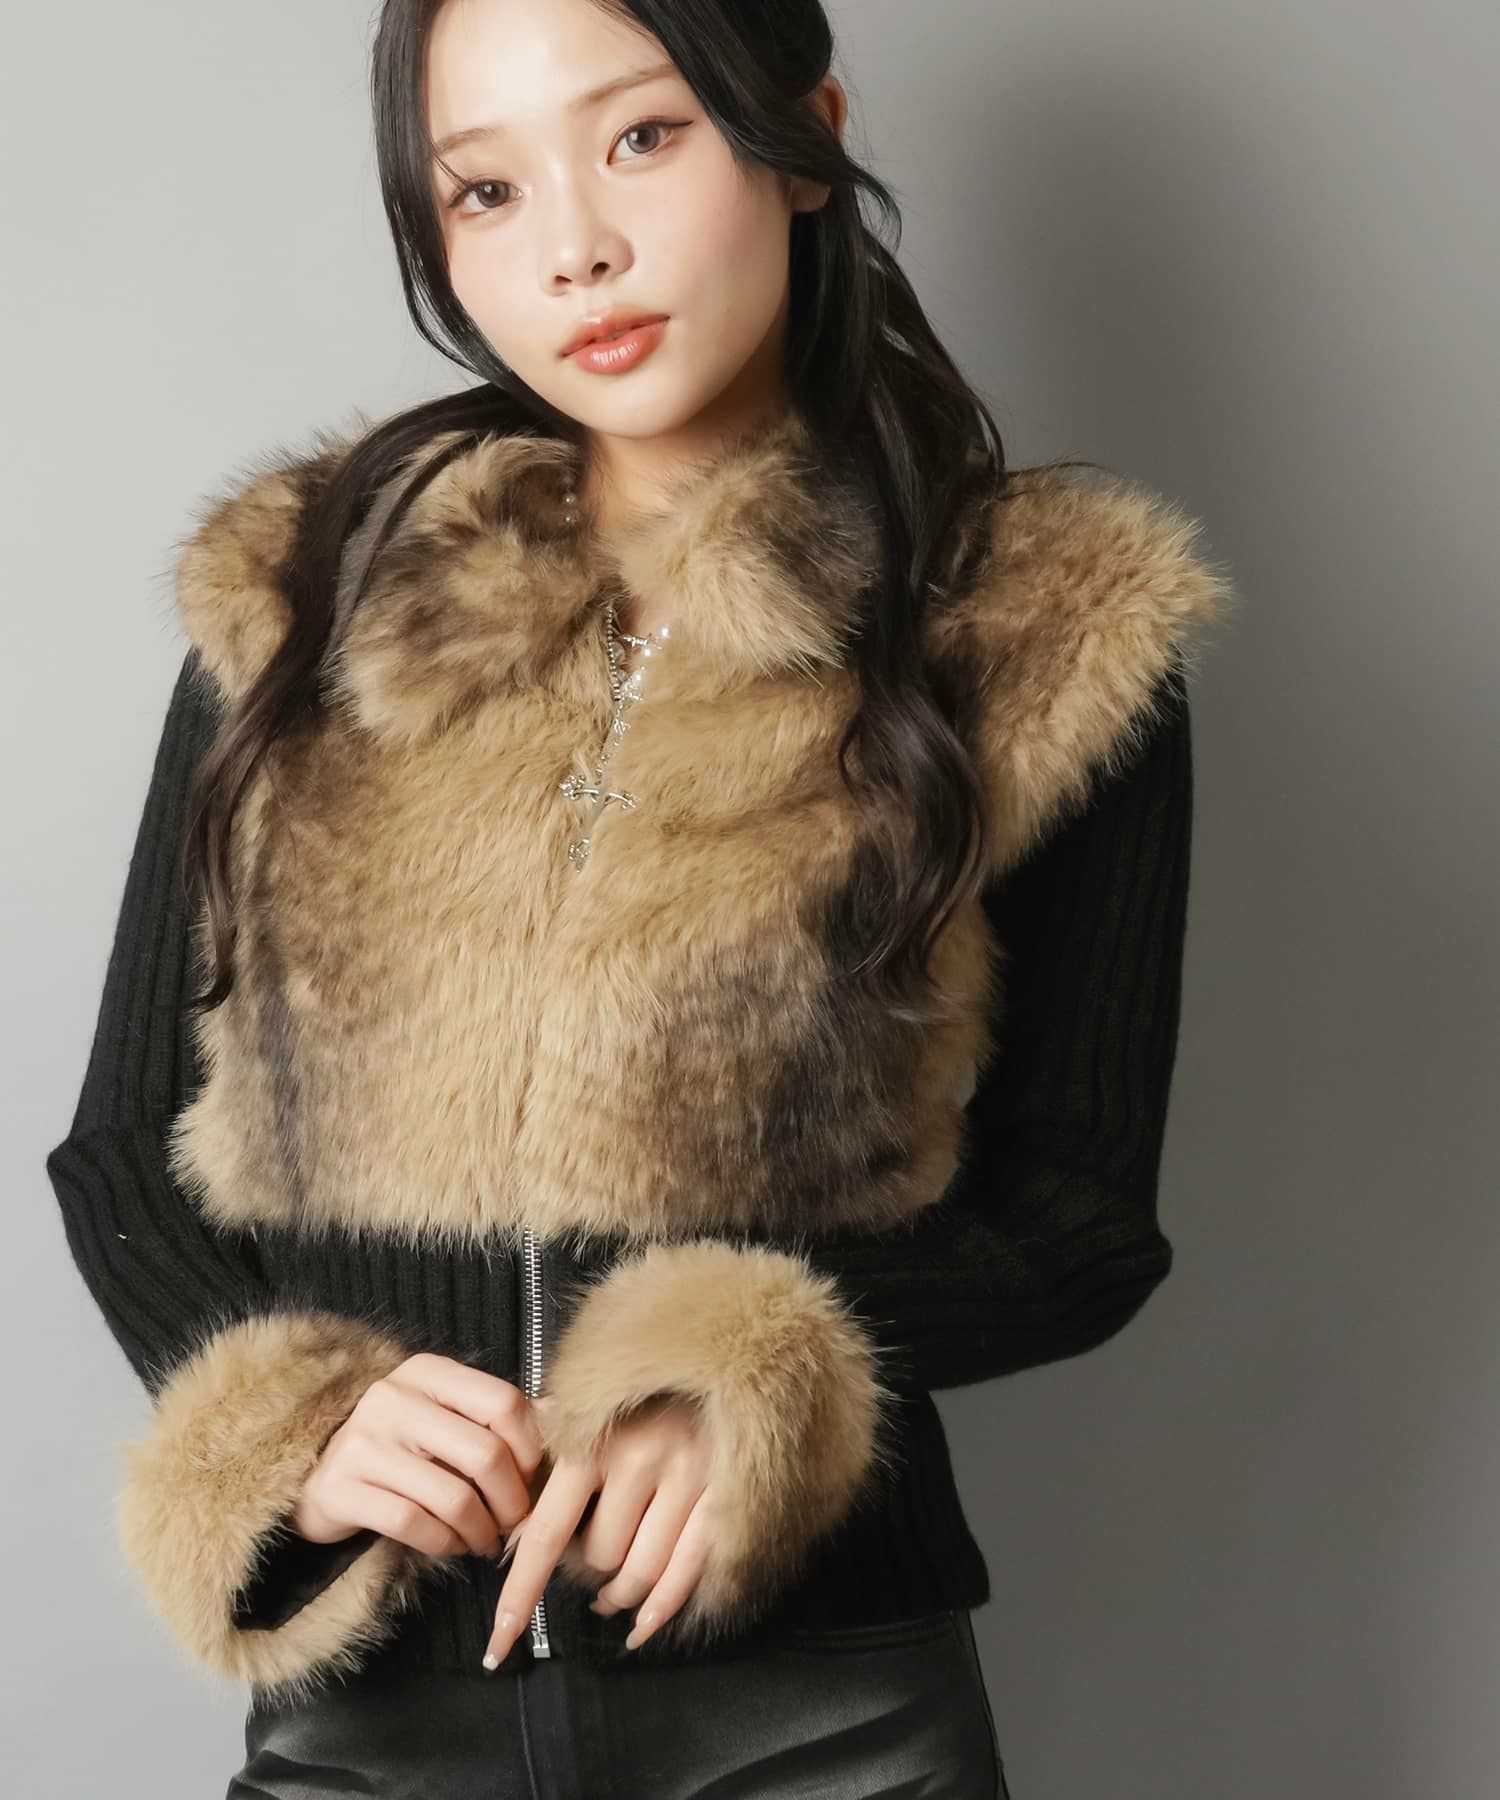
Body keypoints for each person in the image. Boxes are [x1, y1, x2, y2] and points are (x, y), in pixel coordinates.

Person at [45, 0, 1235, 1793]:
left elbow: (1078, 1219)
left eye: (642, 137)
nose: (576, 247)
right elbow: (124, 1156)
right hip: (377, 1716)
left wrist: (758, 1365)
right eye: (486, 190)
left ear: (804, 135)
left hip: (826, 1717)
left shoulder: (1037, 626)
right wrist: (298, 1424)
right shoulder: (301, 599)